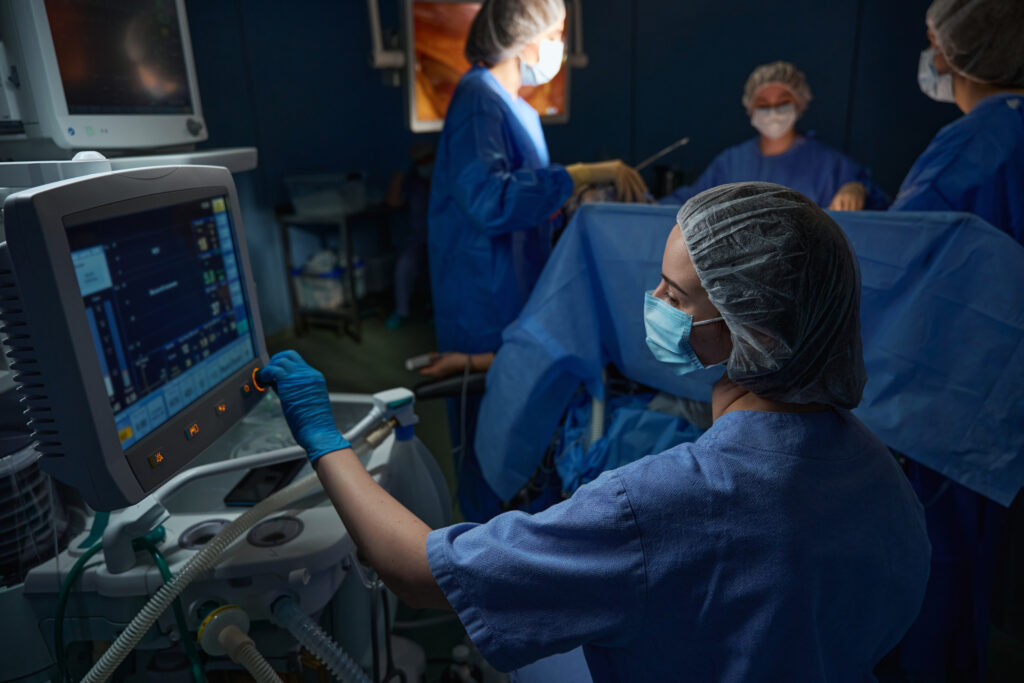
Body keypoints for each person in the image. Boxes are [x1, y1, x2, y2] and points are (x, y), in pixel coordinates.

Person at [259, 182, 931, 681]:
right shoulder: (878, 470)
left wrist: (325, 435)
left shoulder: (655, 505)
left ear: (742, 328)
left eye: (672, 294)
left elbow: (415, 570)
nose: (654, 303)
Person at [426, 0, 646, 521]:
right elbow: (489, 200)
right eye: (559, 32)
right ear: (525, 38)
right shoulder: (477, 98)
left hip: (520, 288)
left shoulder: (518, 107)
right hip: (483, 298)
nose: (561, 47)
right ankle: (485, 550)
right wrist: (580, 173)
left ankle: (523, 540)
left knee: (525, 424)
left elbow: (525, 199)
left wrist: (571, 201)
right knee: (490, 431)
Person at [889, 1, 1024, 679]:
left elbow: (899, 271)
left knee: (942, 569)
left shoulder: (971, 148)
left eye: (933, 42)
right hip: (1004, 408)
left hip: (957, 411)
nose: (932, 57)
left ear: (954, 53)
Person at [661, 61, 888, 211]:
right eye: (763, 104)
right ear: (750, 108)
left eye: (782, 103)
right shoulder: (731, 163)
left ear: (799, 104)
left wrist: (860, 190)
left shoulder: (830, 166)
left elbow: (882, 212)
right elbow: (687, 206)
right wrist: (637, 199)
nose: (773, 111)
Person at [892, 0, 1024, 246]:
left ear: (966, 50)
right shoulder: (1010, 127)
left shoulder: (977, 143)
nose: (930, 56)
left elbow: (901, 247)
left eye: (934, 42)